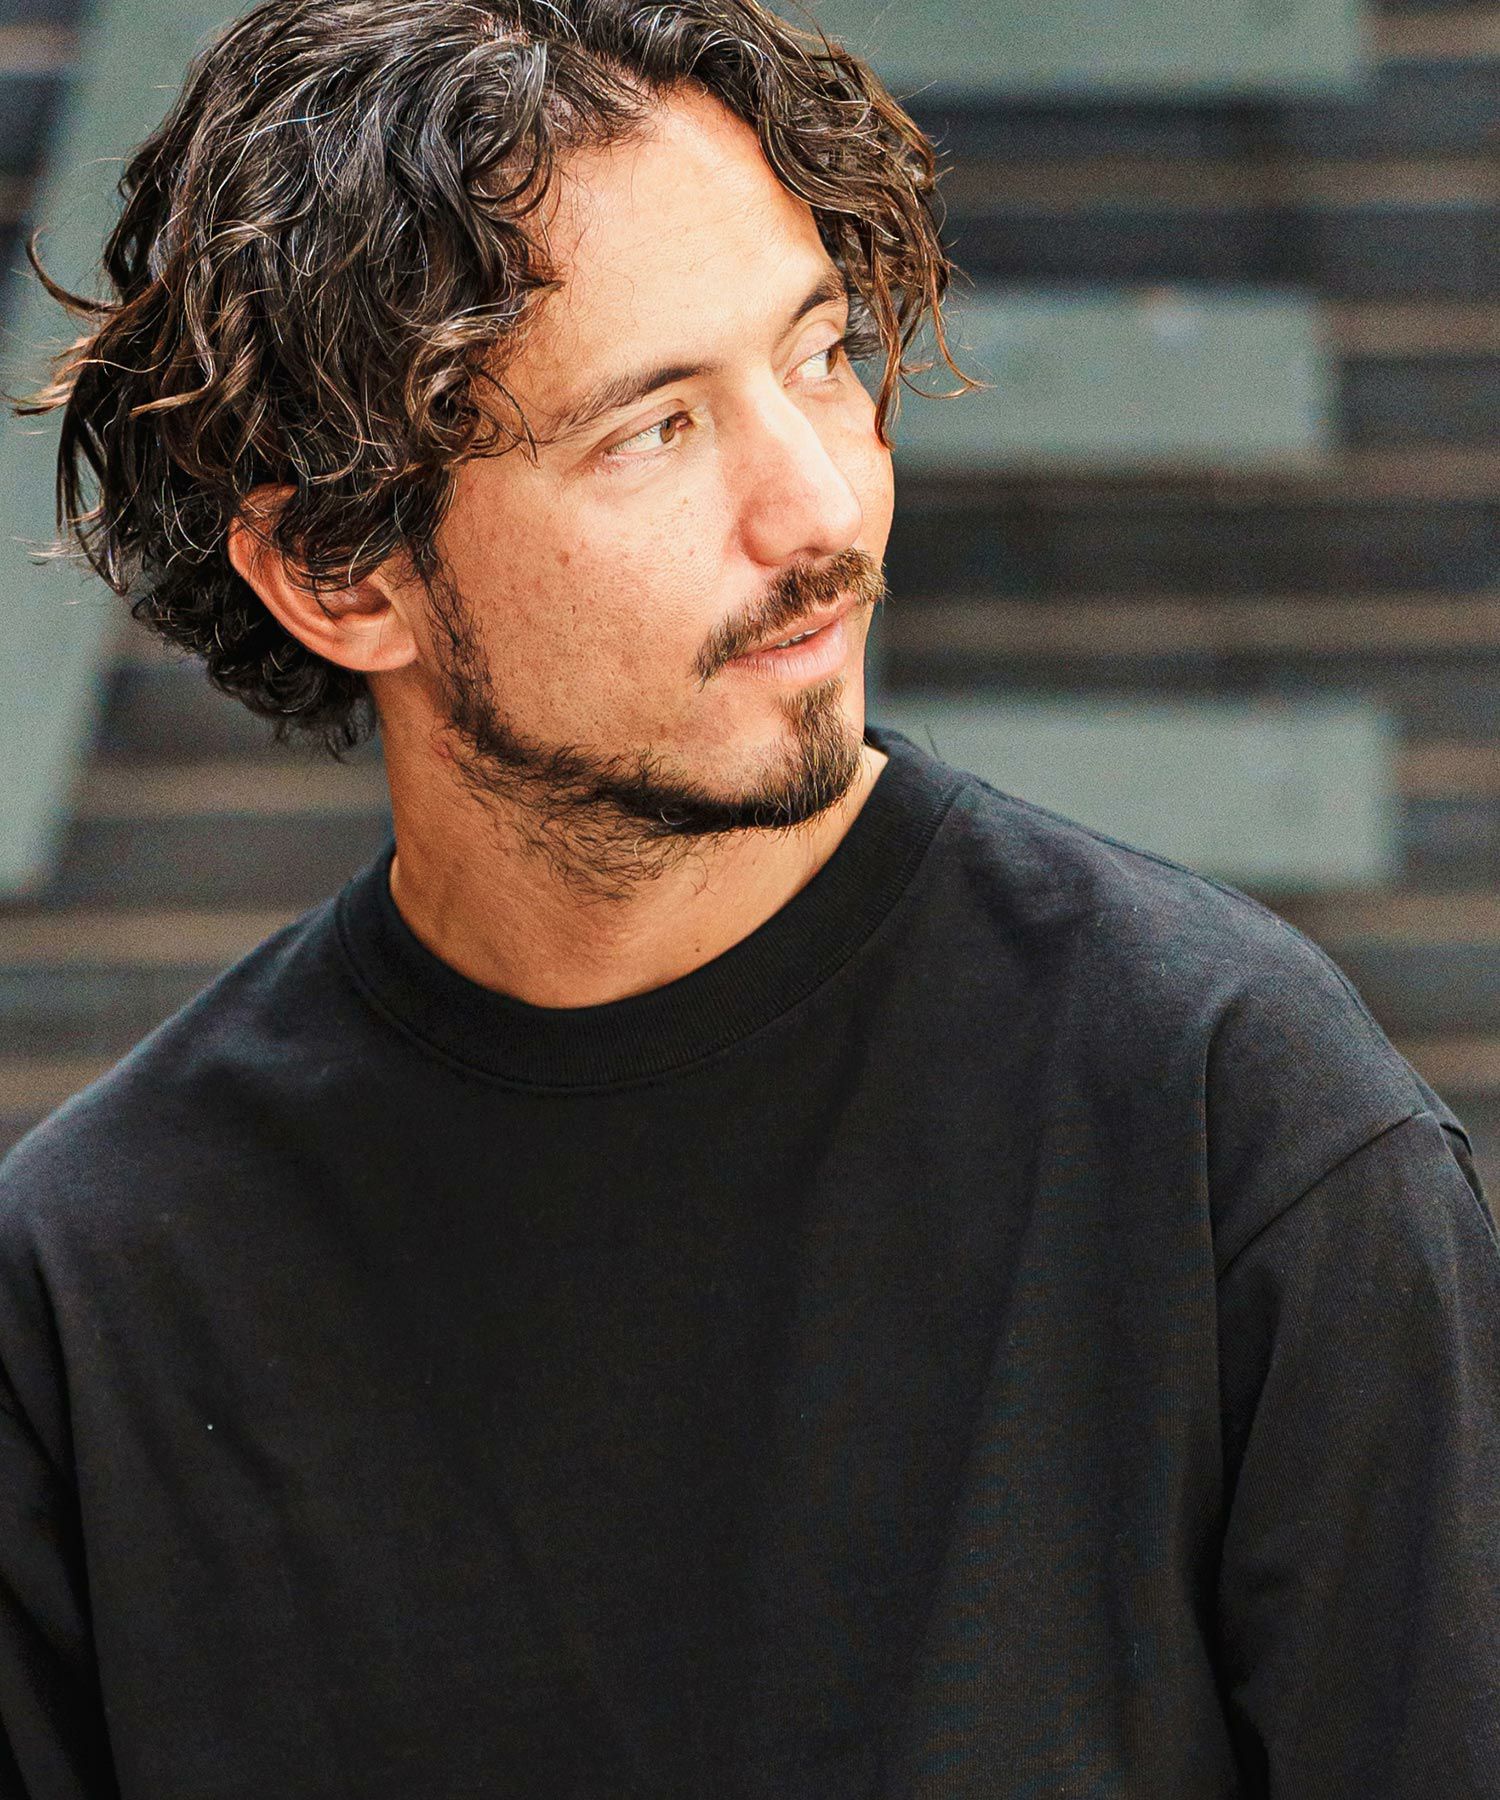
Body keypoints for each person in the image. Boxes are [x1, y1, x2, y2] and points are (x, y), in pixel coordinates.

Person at [2, 0, 1497, 1793]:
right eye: (652, 429)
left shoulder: (1231, 1123)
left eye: (820, 355)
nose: (820, 512)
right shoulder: (95, 1284)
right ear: (339, 572)